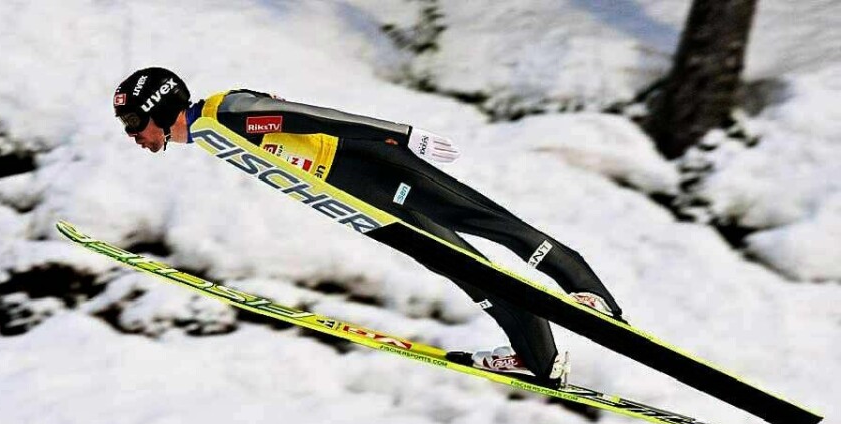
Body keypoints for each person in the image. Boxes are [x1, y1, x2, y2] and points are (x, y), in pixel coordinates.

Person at [112, 67, 624, 386]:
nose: (134, 135)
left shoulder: (227, 114)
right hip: (363, 204)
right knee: (472, 275)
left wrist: (400, 136)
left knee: (487, 222)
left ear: (160, 110)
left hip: (373, 168)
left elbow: (310, 117)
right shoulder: (210, 135)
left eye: (136, 123)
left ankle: (589, 294)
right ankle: (539, 360)